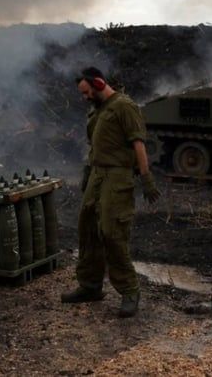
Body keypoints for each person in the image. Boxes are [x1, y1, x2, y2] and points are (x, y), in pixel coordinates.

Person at [61, 67, 160, 317]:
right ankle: (90, 285)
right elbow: (96, 143)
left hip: (117, 176)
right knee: (88, 229)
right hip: (97, 174)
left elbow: (138, 144)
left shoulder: (124, 107)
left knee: (112, 231)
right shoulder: (99, 108)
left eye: (86, 92)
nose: (84, 97)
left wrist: (146, 178)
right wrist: (88, 173)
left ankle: (129, 291)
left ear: (98, 83)